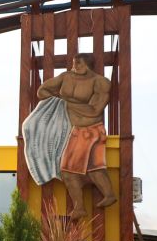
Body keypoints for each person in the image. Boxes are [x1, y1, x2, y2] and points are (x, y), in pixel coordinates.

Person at [37, 53, 117, 220]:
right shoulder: (65, 77)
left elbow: (94, 110)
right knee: (94, 168)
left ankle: (79, 207)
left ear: (87, 64)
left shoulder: (100, 82)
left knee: (67, 171)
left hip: (88, 130)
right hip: (78, 129)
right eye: (74, 64)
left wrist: (64, 103)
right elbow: (41, 91)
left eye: (79, 64)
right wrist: (60, 101)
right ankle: (108, 195)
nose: (75, 67)